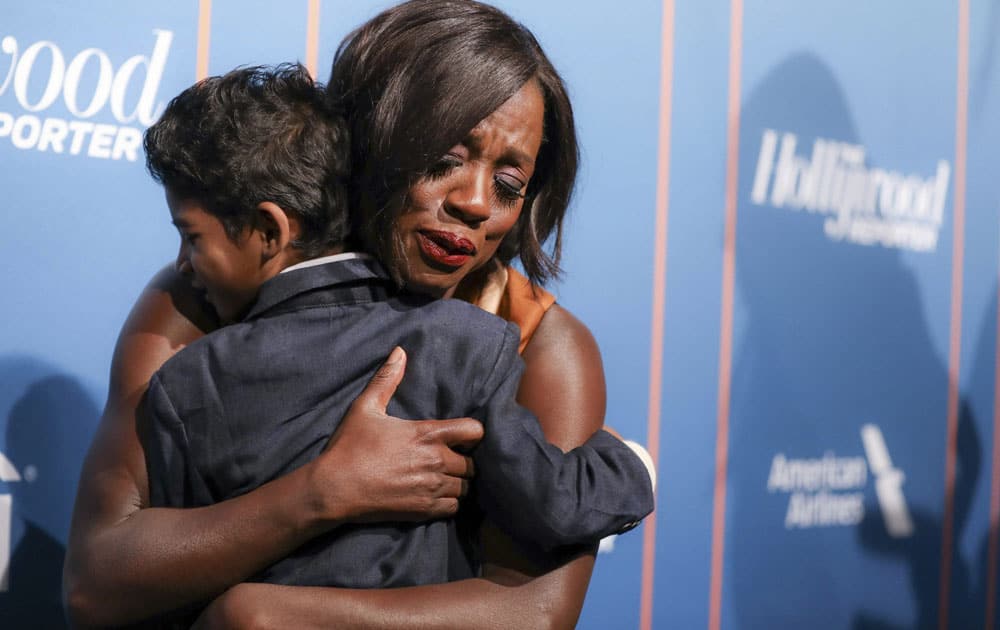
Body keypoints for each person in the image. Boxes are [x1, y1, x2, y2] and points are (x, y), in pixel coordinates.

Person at [64, 1, 647, 628]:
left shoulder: (540, 341)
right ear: (370, 134)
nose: (476, 204)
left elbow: (534, 615)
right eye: (445, 159)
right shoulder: (200, 297)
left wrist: (261, 614)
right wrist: (318, 493)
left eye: (508, 184)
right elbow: (95, 586)